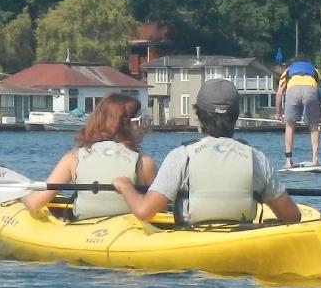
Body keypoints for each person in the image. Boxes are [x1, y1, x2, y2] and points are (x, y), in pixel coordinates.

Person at [114, 77, 302, 226]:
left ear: (199, 115)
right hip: (242, 240)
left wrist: (125, 187)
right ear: (236, 115)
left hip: (193, 245)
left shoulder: (181, 156)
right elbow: (292, 217)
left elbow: (144, 212)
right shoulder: (256, 158)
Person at [24, 92, 158, 218]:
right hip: (131, 231)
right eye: (141, 121)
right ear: (126, 124)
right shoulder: (144, 163)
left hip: (84, 230)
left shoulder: (72, 159)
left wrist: (20, 198)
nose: (143, 128)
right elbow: (158, 210)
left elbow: (34, 203)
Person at [275, 57, 321, 168]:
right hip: (310, 90)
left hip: (293, 90)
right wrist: (319, 117)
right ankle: (315, 159)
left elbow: (279, 94)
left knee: (290, 126)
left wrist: (278, 114)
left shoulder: (288, 71)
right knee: (313, 126)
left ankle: (288, 161)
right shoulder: (314, 70)